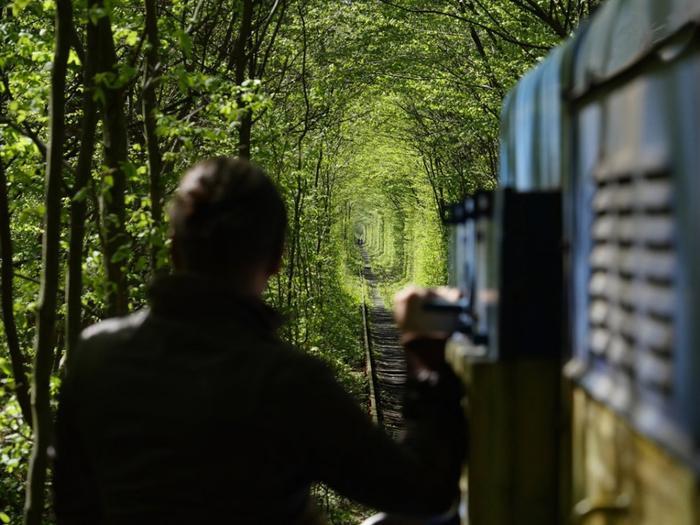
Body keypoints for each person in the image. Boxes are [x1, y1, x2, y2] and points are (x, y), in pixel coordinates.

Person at [54, 157, 467, 525]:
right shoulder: (285, 381)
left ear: (174, 248)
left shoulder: (96, 354)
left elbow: (74, 507)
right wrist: (424, 365)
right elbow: (423, 493)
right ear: (276, 259)